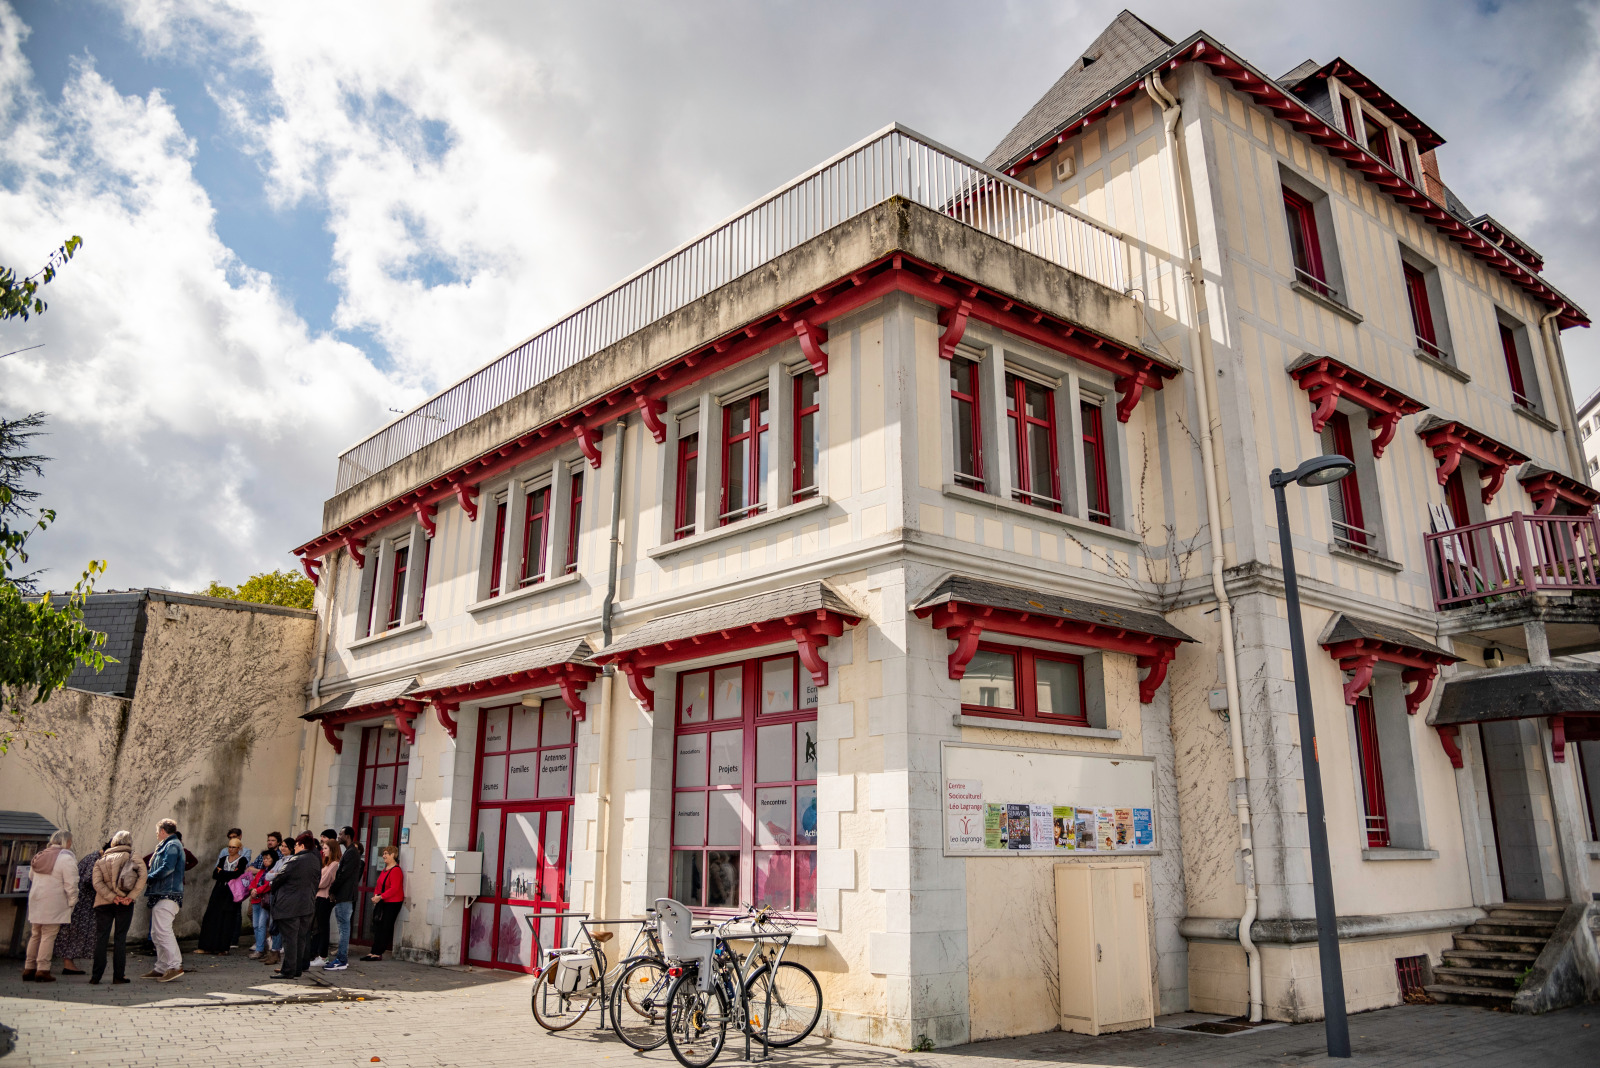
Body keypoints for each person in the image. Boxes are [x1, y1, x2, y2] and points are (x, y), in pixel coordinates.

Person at [90, 831, 146, 985]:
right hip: (125, 903)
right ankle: (118, 976)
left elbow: (97, 883)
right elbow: (143, 876)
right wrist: (130, 896)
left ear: (113, 843)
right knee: (120, 939)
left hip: (103, 903)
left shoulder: (101, 860)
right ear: (129, 842)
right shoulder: (133, 857)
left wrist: (111, 897)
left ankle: (96, 976)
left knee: (101, 938)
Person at [22, 830, 77, 982]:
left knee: (35, 934)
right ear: (66, 842)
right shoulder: (65, 858)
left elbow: (31, 877)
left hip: (36, 899)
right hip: (54, 901)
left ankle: (29, 968)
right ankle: (43, 970)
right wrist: (73, 901)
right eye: (70, 841)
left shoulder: (39, 855)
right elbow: (71, 883)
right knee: (48, 935)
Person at [268, 833, 321, 980]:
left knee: (290, 939)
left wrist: (273, 884)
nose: (295, 847)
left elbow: (279, 878)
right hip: (307, 905)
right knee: (300, 938)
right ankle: (297, 968)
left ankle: (288, 970)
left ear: (302, 846)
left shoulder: (296, 860)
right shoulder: (315, 860)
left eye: (296, 845)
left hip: (290, 906)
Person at [143, 818, 186, 982]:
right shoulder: (168, 845)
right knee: (156, 932)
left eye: (157, 831)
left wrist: (148, 877)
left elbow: (168, 868)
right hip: (161, 894)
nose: (156, 834)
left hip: (168, 893)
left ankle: (174, 966)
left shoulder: (172, 845)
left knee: (163, 931)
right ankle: (161, 967)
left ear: (162, 831)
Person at [55, 839, 104, 976]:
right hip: (83, 903)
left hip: (79, 901)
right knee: (75, 933)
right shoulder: (96, 859)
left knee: (72, 932)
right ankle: (68, 964)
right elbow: (89, 880)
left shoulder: (91, 857)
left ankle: (68, 963)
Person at [196, 836, 248, 954]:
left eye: (233, 847)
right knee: (212, 915)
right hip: (219, 890)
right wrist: (226, 873)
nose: (230, 849)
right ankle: (207, 945)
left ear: (239, 848)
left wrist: (222, 872)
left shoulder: (242, 860)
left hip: (231, 892)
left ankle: (223, 947)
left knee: (227, 918)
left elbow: (237, 874)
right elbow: (215, 874)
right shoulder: (224, 858)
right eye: (229, 847)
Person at [325, 828, 362, 971]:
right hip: (343, 895)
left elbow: (344, 875)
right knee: (343, 927)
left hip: (345, 895)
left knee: (343, 927)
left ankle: (341, 959)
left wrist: (332, 889)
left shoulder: (352, 852)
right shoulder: (349, 852)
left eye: (341, 834)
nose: (338, 836)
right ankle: (341, 958)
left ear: (347, 836)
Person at [363, 845, 402, 962]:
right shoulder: (385, 870)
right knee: (378, 927)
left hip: (392, 903)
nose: (384, 856)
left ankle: (378, 953)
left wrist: (380, 897)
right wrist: (376, 896)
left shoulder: (396, 870)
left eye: (386, 854)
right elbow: (379, 884)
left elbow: (394, 888)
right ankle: (373, 951)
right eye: (383, 853)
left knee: (385, 927)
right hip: (382, 901)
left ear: (393, 855)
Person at [307, 836, 340, 971]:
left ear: (332, 850)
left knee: (323, 927)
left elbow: (323, 881)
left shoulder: (334, 864)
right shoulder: (327, 863)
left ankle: (323, 955)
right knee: (318, 927)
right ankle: (318, 954)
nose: (323, 851)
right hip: (319, 896)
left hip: (325, 898)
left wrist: (313, 883)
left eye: (325, 848)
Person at [246, 846, 278, 960]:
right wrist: (252, 890)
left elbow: (268, 885)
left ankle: (259, 949)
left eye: (268, 858)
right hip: (255, 900)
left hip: (264, 901)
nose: (265, 861)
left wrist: (257, 890)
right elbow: (253, 882)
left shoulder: (272, 872)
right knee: (255, 925)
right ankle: (261, 946)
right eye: (264, 859)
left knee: (261, 925)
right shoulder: (261, 871)